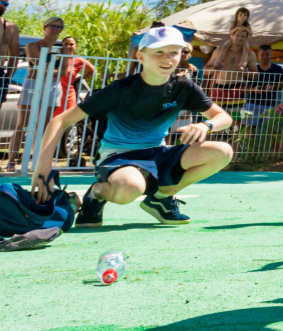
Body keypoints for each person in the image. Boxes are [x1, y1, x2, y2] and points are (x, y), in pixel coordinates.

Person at [31, 26, 234, 226]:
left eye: (174, 52)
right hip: (118, 156)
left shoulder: (183, 87)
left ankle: (161, 198)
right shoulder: (120, 89)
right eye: (159, 52)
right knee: (130, 188)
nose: (167, 58)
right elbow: (60, 120)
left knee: (222, 151)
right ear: (141, 56)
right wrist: (42, 171)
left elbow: (223, 117)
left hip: (158, 153)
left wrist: (205, 126)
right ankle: (96, 194)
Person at [7, 17, 64, 172]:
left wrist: (48, 71)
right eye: (52, 26)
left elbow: (63, 72)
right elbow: (37, 64)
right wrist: (51, 70)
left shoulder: (61, 48)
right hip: (32, 86)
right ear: (45, 27)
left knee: (43, 127)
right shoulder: (34, 45)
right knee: (22, 125)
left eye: (59, 27)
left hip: (52, 88)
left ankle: (35, 162)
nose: (55, 29)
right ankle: (11, 161)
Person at [242, 46, 283, 128]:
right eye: (262, 54)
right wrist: (253, 90)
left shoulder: (278, 69)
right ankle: (249, 141)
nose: (265, 57)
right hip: (252, 103)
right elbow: (244, 88)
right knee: (249, 129)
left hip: (269, 104)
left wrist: (273, 87)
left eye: (267, 54)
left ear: (271, 55)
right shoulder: (252, 69)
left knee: (269, 129)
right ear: (258, 55)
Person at [0, 0, 20, 107]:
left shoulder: (10, 27)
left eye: (5, 4)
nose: (2, 5)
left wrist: (8, 77)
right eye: (0, 2)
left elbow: (14, 55)